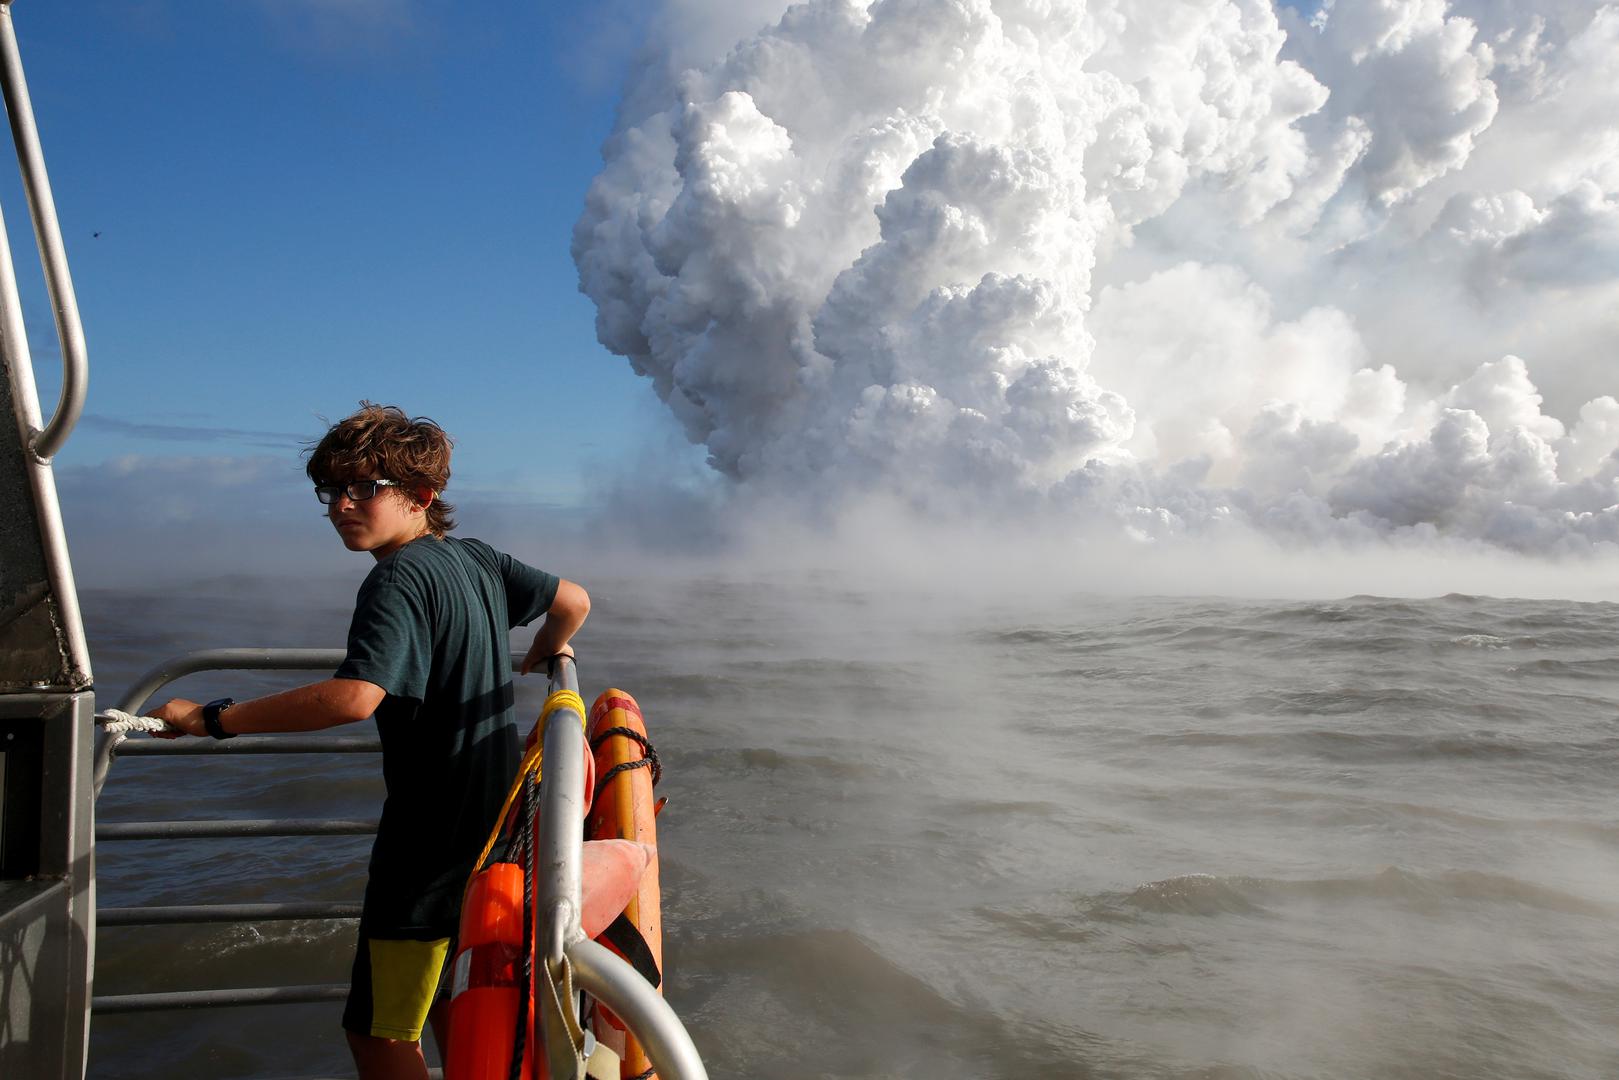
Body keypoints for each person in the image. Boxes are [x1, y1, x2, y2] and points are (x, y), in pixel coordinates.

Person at [152, 403, 589, 1080]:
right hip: (494, 828)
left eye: (364, 489)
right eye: (331, 490)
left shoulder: (397, 580)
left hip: (430, 847)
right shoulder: (474, 560)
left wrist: (212, 719)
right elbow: (574, 601)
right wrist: (544, 650)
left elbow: (354, 697)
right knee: (448, 998)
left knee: (379, 1034)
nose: (341, 506)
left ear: (421, 495)